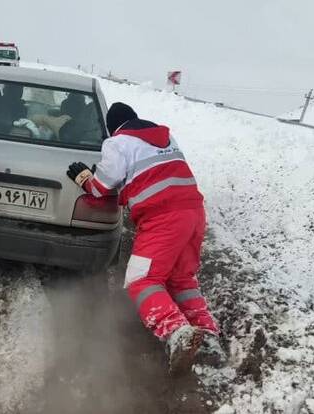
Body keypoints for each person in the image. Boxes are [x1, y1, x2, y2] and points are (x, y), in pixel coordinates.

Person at [65, 102, 224, 374]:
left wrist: (84, 179)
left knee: (142, 280)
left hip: (163, 217)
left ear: (112, 127)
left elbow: (102, 188)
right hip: (194, 213)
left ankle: (176, 331)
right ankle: (208, 338)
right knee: (181, 278)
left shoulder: (117, 143)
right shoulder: (166, 137)